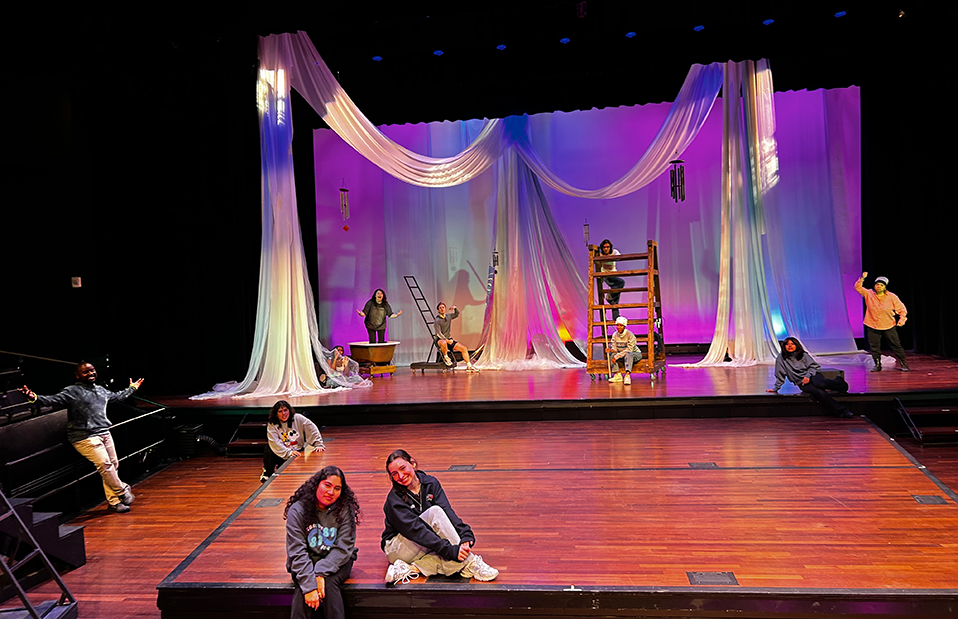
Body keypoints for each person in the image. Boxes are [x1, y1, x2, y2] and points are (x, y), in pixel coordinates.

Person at [19, 362, 143, 514]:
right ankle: (123, 490)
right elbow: (52, 400)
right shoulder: (72, 391)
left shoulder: (100, 390)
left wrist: (132, 388)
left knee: (112, 466)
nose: (90, 374)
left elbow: (117, 397)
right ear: (78, 376)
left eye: (92, 370)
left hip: (104, 432)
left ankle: (114, 502)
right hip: (84, 436)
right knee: (105, 465)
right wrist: (34, 397)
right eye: (86, 372)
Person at [380, 449, 498, 584]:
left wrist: (464, 533)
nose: (400, 476)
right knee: (435, 513)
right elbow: (416, 531)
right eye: (394, 474)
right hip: (397, 548)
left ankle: (411, 568)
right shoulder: (393, 501)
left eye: (403, 468)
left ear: (412, 463)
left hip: (423, 542)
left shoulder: (431, 483)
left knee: (440, 531)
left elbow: (447, 511)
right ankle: (469, 562)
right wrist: (450, 550)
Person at [285, 466, 360, 619]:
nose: (331, 492)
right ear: (317, 484)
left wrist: (319, 573)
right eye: (327, 485)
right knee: (303, 588)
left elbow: (343, 548)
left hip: (337, 561)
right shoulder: (298, 510)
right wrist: (310, 585)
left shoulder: (344, 509)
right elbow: (297, 551)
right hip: (306, 561)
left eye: (337, 488)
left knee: (329, 583)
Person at [766, 337, 853, 418]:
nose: (790, 346)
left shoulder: (803, 355)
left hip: (812, 375)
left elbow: (815, 367)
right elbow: (780, 374)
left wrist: (807, 376)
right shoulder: (781, 359)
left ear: (796, 345)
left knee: (819, 383)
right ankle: (841, 411)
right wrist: (776, 388)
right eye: (787, 344)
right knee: (819, 392)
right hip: (801, 382)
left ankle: (840, 384)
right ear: (784, 346)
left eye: (792, 344)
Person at [854, 272, 909, 372]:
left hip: (888, 324)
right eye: (877, 284)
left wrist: (902, 319)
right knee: (874, 346)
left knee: (896, 345)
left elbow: (902, 309)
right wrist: (862, 278)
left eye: (881, 285)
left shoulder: (892, 297)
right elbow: (858, 287)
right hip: (872, 324)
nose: (879, 286)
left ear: (885, 287)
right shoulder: (869, 294)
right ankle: (877, 364)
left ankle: (903, 363)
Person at [263, 400, 326, 483]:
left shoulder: (298, 418)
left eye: (285, 410)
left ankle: (281, 467)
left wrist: (318, 444)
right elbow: (274, 442)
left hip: (296, 450)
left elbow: (311, 428)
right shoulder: (272, 424)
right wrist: (288, 452)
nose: (283, 414)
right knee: (268, 449)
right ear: (276, 414)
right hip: (281, 452)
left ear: (289, 410)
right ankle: (268, 473)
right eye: (280, 411)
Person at [434, 303, 477, 372]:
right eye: (440, 308)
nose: (442, 309)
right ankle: (446, 357)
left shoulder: (448, 316)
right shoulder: (437, 320)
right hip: (440, 340)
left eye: (443, 307)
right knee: (444, 342)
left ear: (445, 309)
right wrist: (447, 340)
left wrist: (455, 308)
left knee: (464, 348)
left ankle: (469, 366)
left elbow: (456, 314)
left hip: (448, 339)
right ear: (438, 310)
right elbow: (439, 333)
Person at [606, 316, 642, 385]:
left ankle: (627, 376)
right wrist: (611, 350)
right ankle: (618, 375)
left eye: (621, 325)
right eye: (617, 325)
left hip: (634, 354)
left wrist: (617, 356)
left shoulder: (630, 335)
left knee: (628, 354)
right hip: (622, 354)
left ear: (624, 326)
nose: (619, 327)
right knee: (611, 355)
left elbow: (630, 349)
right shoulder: (615, 335)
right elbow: (615, 349)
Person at [596, 239, 625, 320]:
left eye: (608, 247)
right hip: (605, 274)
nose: (606, 249)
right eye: (604, 247)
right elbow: (594, 260)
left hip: (613, 274)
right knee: (620, 283)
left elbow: (619, 257)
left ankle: (615, 314)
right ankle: (610, 298)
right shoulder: (600, 254)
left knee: (615, 298)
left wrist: (611, 257)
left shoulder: (614, 252)